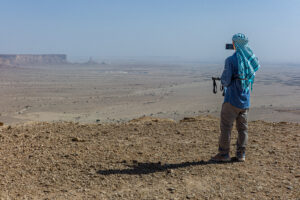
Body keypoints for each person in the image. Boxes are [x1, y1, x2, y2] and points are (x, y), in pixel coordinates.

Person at [212, 33, 260, 162]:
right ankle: (241, 154)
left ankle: (223, 154)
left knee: (226, 127)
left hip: (232, 100)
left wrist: (222, 79)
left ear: (235, 44)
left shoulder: (231, 60)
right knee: (243, 129)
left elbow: (226, 81)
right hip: (245, 101)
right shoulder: (251, 60)